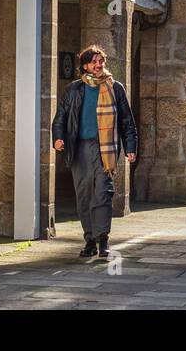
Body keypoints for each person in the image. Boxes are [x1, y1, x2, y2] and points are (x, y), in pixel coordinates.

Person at [52, 45, 137, 260]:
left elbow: (127, 120)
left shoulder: (115, 88)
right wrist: (58, 138)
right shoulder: (73, 89)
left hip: (105, 148)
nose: (98, 65)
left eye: (101, 61)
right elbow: (60, 117)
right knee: (84, 195)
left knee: (103, 192)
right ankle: (89, 238)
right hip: (80, 148)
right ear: (85, 66)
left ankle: (103, 239)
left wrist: (131, 148)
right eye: (94, 62)